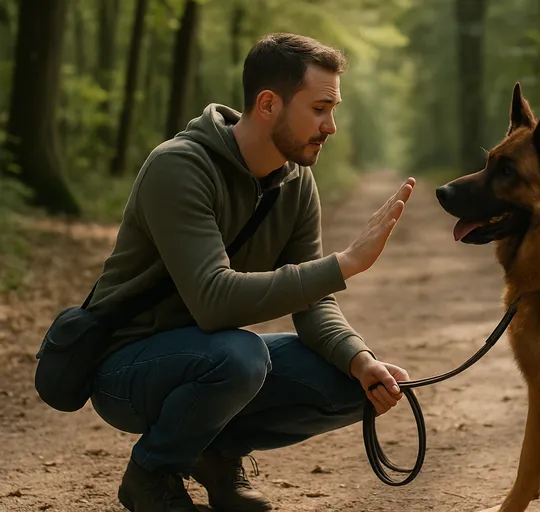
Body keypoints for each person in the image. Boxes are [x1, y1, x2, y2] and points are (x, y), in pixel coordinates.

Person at [87, 32, 415, 512]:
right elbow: (214, 300)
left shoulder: (297, 182)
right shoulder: (179, 167)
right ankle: (151, 476)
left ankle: (217, 455)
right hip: (125, 369)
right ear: (268, 104)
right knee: (240, 357)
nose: (332, 126)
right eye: (320, 108)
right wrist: (347, 263)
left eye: (334, 109)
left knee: (352, 385)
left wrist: (359, 359)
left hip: (208, 360)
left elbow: (313, 301)